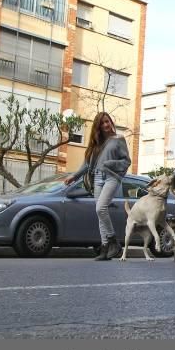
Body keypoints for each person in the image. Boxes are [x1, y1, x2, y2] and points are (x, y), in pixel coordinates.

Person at [69, 112, 131, 261]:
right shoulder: (96, 143)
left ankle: (113, 242)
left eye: (107, 121)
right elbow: (87, 164)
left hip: (111, 177)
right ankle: (104, 249)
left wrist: (110, 164)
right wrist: (74, 176)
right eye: (102, 123)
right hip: (97, 178)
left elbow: (126, 161)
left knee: (100, 208)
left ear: (111, 122)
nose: (106, 125)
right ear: (98, 127)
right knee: (100, 215)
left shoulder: (118, 139)